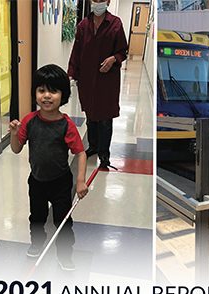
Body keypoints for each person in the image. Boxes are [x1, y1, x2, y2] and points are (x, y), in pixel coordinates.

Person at [9, 64, 88, 271]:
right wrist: (14, 133)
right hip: (36, 181)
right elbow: (16, 149)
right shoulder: (30, 121)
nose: (46, 96)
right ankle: (36, 244)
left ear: (63, 95)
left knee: (63, 221)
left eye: (53, 91)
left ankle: (65, 255)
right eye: (41, 90)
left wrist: (80, 181)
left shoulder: (66, 125)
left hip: (61, 182)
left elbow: (80, 153)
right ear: (35, 93)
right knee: (36, 217)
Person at [68, 0, 128, 168]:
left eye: (101, 0)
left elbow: (123, 51)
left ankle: (104, 154)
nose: (97, 3)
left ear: (108, 1)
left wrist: (113, 59)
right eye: (95, 0)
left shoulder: (115, 24)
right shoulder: (83, 26)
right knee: (90, 115)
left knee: (105, 118)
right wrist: (71, 74)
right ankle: (93, 146)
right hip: (87, 80)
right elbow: (76, 52)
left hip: (106, 80)